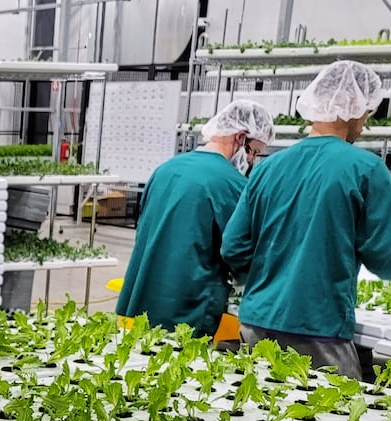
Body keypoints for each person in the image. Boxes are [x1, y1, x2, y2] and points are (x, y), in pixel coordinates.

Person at [222, 60, 391, 377]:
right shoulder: (365, 168)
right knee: (329, 419)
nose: (365, 122)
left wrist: (271, 280)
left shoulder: (269, 166)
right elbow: (383, 257)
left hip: (255, 322)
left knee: (259, 414)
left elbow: (233, 246)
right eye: (366, 112)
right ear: (350, 108)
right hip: (317, 327)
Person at [115, 100, 274, 335]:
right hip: (188, 305)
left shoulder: (166, 170)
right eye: (253, 152)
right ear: (241, 137)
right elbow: (239, 249)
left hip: (142, 297)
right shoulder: (231, 184)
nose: (250, 161)